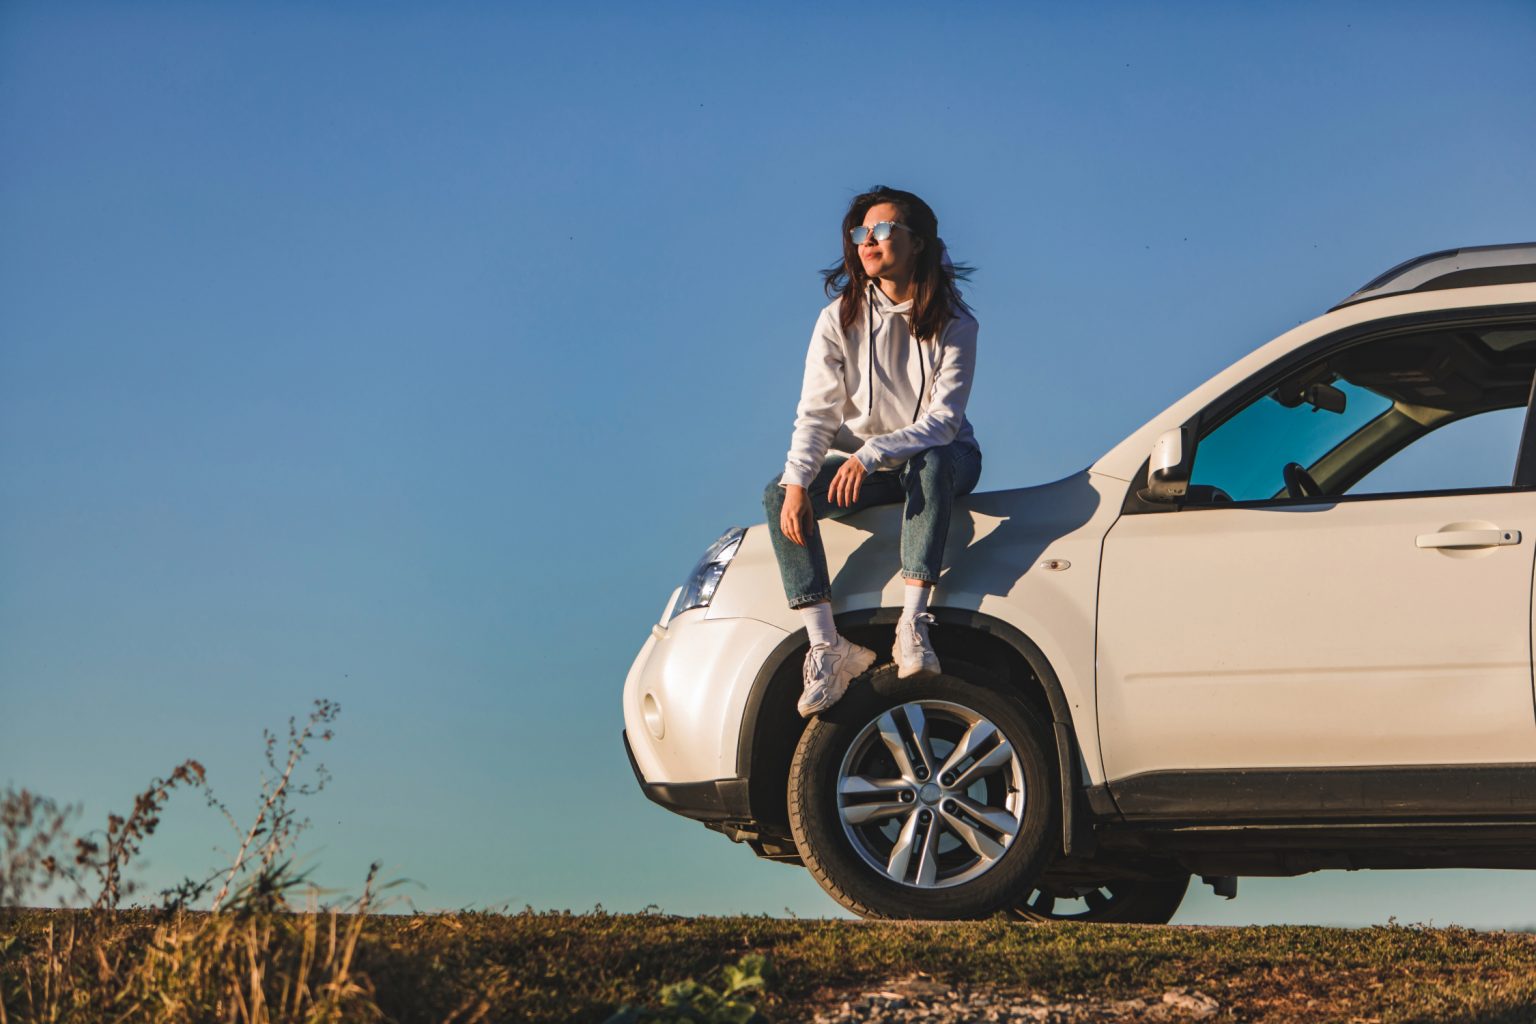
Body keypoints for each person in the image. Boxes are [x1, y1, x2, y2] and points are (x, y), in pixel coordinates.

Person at [762, 185, 982, 718]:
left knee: (930, 462)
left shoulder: (956, 322)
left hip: (945, 457)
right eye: (861, 232)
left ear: (917, 242)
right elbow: (817, 413)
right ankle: (827, 645)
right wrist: (798, 483)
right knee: (779, 493)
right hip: (872, 467)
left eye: (882, 229)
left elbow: (943, 422)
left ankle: (913, 623)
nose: (868, 240)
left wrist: (869, 455)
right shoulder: (838, 318)